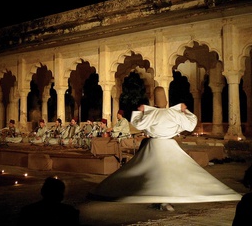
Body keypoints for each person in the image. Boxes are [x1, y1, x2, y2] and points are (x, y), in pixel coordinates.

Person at [88, 86, 242, 211]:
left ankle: (160, 200)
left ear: (154, 101)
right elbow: (191, 122)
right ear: (167, 101)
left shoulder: (152, 114)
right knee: (171, 174)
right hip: (169, 145)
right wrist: (184, 110)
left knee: (153, 174)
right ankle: (165, 200)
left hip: (154, 146)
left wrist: (142, 110)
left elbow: (137, 123)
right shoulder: (173, 114)